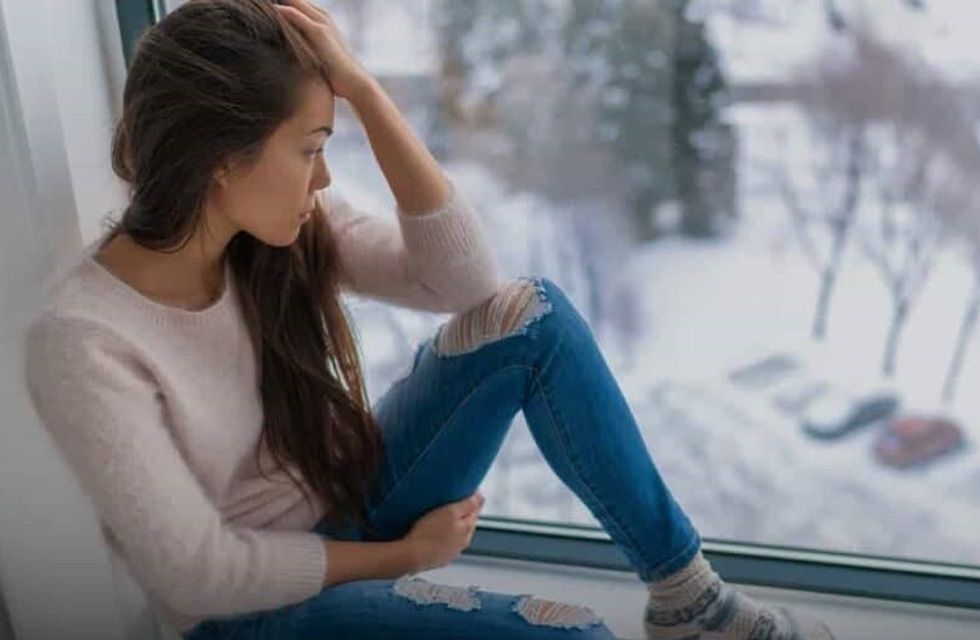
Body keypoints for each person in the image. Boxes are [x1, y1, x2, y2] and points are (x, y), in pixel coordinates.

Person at [22, 1, 835, 638]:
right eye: (310, 149)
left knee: (532, 316)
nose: (323, 177)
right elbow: (198, 575)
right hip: (251, 613)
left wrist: (365, 91)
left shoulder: (276, 227)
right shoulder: (84, 341)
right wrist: (401, 559)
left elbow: (466, 281)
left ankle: (692, 603)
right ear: (222, 163)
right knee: (574, 634)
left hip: (345, 497)